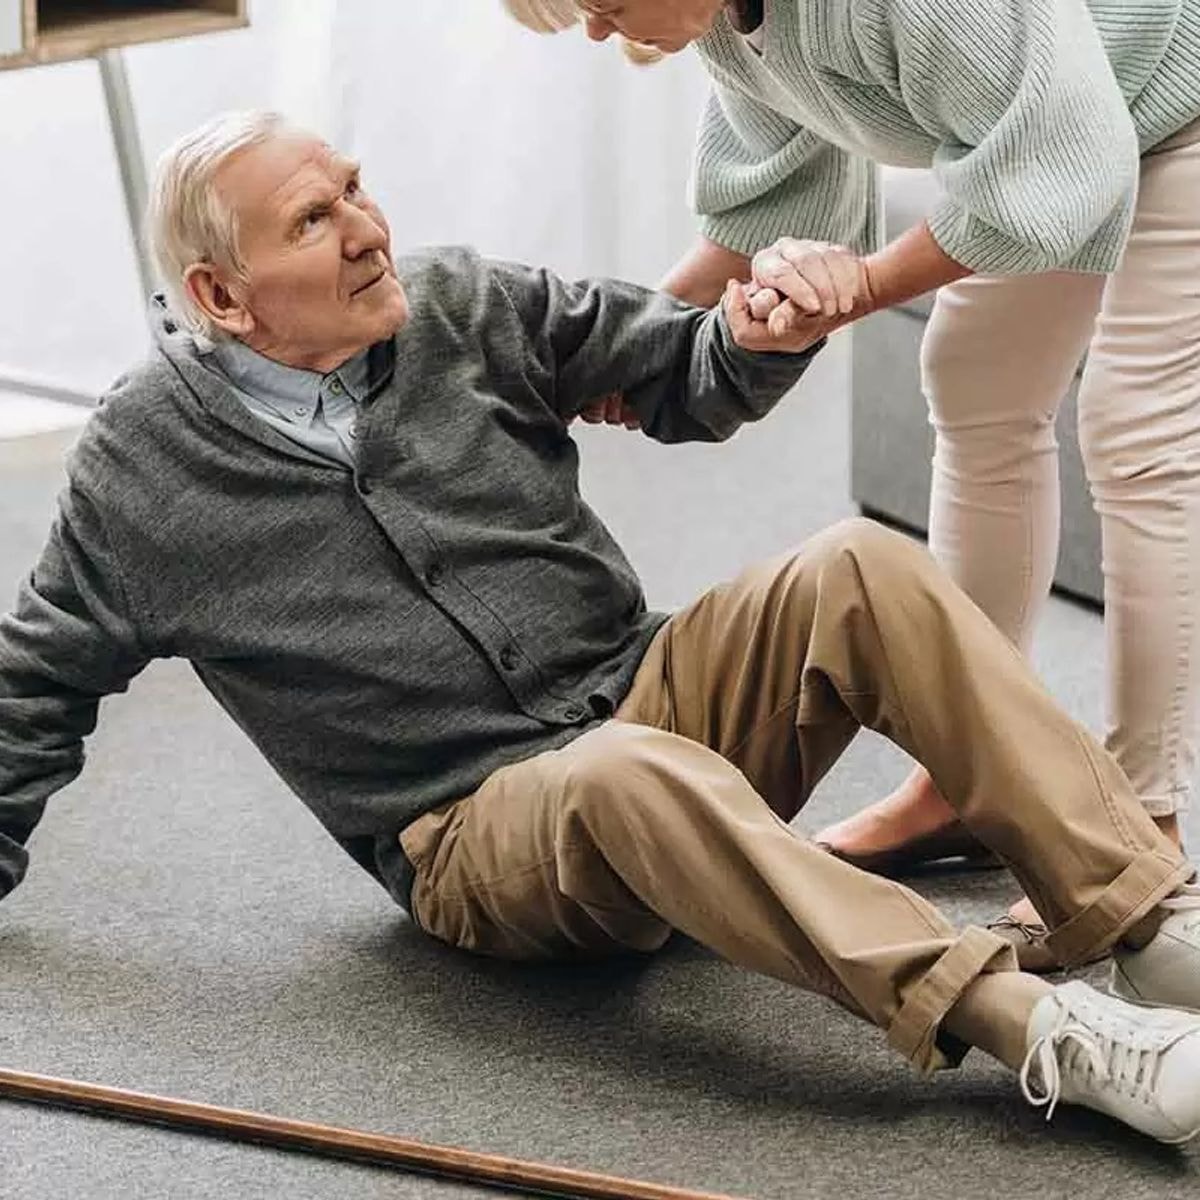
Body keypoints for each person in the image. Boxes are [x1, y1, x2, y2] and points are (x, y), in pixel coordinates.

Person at [2, 109, 1200, 1144]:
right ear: (220, 295)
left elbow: (685, 366)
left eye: (355, 186)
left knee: (858, 563)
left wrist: (766, 325)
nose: (367, 227)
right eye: (312, 221)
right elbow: (34, 688)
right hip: (476, 835)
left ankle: (1139, 918)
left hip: (647, 697)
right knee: (623, 771)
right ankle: (1039, 1028)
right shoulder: (142, 468)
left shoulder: (458, 302)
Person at [503, 0, 1200, 967]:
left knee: (1136, 439)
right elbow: (778, 203)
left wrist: (863, 286)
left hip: (1179, 103)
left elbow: (1057, 164)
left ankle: (1144, 825)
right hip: (1064, 126)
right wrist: (624, 347)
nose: (595, 32)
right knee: (976, 385)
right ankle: (966, 780)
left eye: (601, 2)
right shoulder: (724, 25)